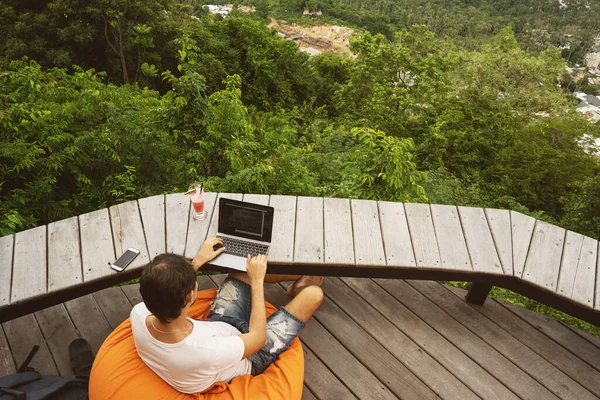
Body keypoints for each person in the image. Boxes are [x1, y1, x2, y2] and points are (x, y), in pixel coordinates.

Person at [130, 237, 324, 394]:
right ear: (190, 295)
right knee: (313, 294)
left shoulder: (139, 314)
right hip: (250, 355)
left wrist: (198, 260)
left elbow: (167, 286)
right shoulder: (204, 352)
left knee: (242, 271)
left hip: (218, 325)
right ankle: (304, 283)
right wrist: (257, 281)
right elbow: (258, 338)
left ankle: (302, 276)